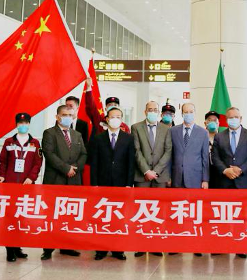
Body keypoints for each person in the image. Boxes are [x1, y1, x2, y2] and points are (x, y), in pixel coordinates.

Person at [41, 104, 87, 260]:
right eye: (65, 115)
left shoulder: (77, 134)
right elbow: (49, 154)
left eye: (70, 115)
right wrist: (66, 168)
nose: (68, 117)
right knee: (52, 215)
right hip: (55, 180)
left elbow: (84, 154)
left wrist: (75, 168)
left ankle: (67, 246)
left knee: (69, 215)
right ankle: (48, 249)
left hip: (73, 180)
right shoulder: (49, 133)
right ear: (57, 117)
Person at [212, 107, 247, 260]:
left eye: (236, 117)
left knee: (241, 216)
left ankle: (240, 246)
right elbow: (215, 157)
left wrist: (241, 169)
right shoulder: (219, 136)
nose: (233, 120)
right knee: (223, 215)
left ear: (241, 118)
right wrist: (225, 170)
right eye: (230, 117)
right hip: (224, 182)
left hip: (243, 181)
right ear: (226, 120)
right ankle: (221, 245)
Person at [89, 105, 135, 261]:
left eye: (118, 117)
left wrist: (129, 184)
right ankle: (101, 249)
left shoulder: (128, 138)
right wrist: (94, 184)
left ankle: (117, 249)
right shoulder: (98, 138)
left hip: (121, 184)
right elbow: (94, 163)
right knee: (102, 216)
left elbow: (131, 163)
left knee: (118, 217)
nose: (116, 119)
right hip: (102, 183)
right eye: (113, 117)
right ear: (107, 119)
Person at [0, 112, 42, 262]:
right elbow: (3, 161)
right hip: (10, 185)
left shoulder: (35, 143)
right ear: (16, 125)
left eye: (25, 123)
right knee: (9, 217)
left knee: (21, 217)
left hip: (26, 185)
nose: (23, 125)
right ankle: (9, 249)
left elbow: (37, 163)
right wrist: (1, 175)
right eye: (20, 123)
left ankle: (17, 247)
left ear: (29, 124)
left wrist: (31, 178)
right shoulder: (9, 142)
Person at [130, 100, 171, 257]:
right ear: (145, 111)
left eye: (155, 109)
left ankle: (155, 245)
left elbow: (168, 151)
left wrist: (156, 171)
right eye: (150, 109)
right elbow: (136, 151)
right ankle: (141, 245)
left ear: (159, 112)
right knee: (142, 211)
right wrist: (146, 170)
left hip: (160, 177)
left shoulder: (166, 129)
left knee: (157, 211)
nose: (152, 112)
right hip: (142, 176)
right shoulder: (136, 127)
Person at [169, 102, 210, 189]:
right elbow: (169, 156)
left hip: (195, 177)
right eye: (186, 112)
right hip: (176, 177)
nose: (188, 114)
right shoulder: (173, 131)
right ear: (182, 114)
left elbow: (205, 158)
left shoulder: (203, 133)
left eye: (191, 112)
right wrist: (168, 176)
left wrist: (205, 179)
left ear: (195, 113)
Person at [204, 110, 222, 189]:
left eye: (215, 120)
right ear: (205, 123)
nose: (212, 122)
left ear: (219, 123)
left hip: (220, 175)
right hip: (205, 175)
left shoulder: (224, 139)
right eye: (209, 120)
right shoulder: (200, 139)